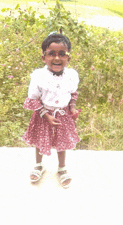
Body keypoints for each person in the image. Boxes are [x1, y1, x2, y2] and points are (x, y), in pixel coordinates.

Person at [22, 33, 81, 188]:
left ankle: (61, 168)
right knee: (40, 141)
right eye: (51, 54)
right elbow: (33, 98)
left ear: (69, 58)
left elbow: (73, 94)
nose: (57, 58)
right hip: (43, 115)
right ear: (43, 58)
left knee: (62, 144)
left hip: (63, 115)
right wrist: (46, 115)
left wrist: (72, 108)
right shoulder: (38, 76)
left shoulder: (72, 76)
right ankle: (39, 166)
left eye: (62, 54)